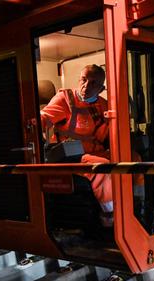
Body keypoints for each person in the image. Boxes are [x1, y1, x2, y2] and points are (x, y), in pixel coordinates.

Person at [40, 64, 113, 218]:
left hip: (97, 152)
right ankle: (110, 216)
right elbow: (43, 118)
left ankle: (138, 204)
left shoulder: (104, 104)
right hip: (72, 156)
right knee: (103, 168)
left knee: (132, 159)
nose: (86, 86)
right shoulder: (65, 100)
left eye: (93, 83)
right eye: (84, 80)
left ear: (101, 88)